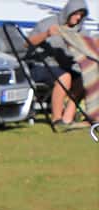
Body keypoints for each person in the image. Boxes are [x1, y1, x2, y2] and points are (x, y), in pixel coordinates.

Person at [30, 2, 95, 130]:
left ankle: (67, 118)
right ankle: (56, 119)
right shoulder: (48, 23)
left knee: (85, 78)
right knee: (65, 77)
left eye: (81, 15)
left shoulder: (81, 30)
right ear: (68, 12)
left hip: (66, 67)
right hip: (41, 65)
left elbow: (88, 47)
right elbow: (27, 43)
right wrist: (46, 34)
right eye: (76, 14)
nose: (78, 18)